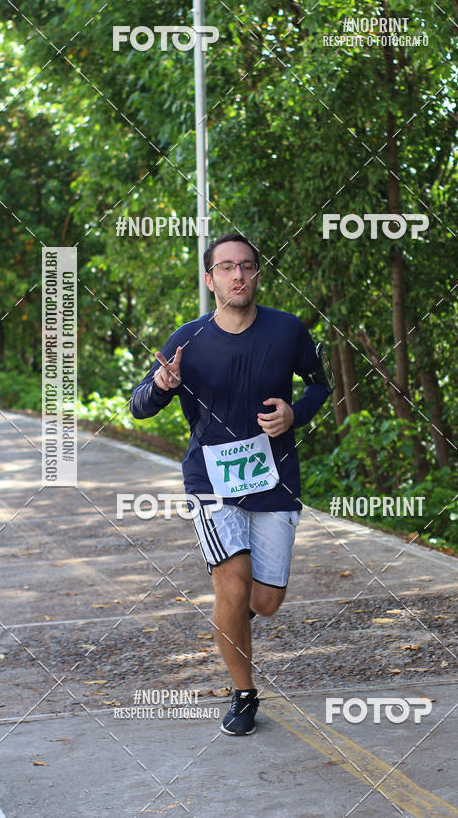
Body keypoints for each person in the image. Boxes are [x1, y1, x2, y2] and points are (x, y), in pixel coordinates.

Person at [130, 232, 332, 735]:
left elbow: (320, 385)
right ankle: (244, 694)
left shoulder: (287, 330)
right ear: (210, 278)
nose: (237, 275)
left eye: (246, 266)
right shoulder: (188, 339)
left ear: (256, 274)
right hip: (210, 480)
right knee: (233, 582)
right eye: (226, 267)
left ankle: (235, 615)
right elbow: (138, 406)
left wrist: (295, 413)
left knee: (264, 602)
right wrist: (161, 386)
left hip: (275, 478)